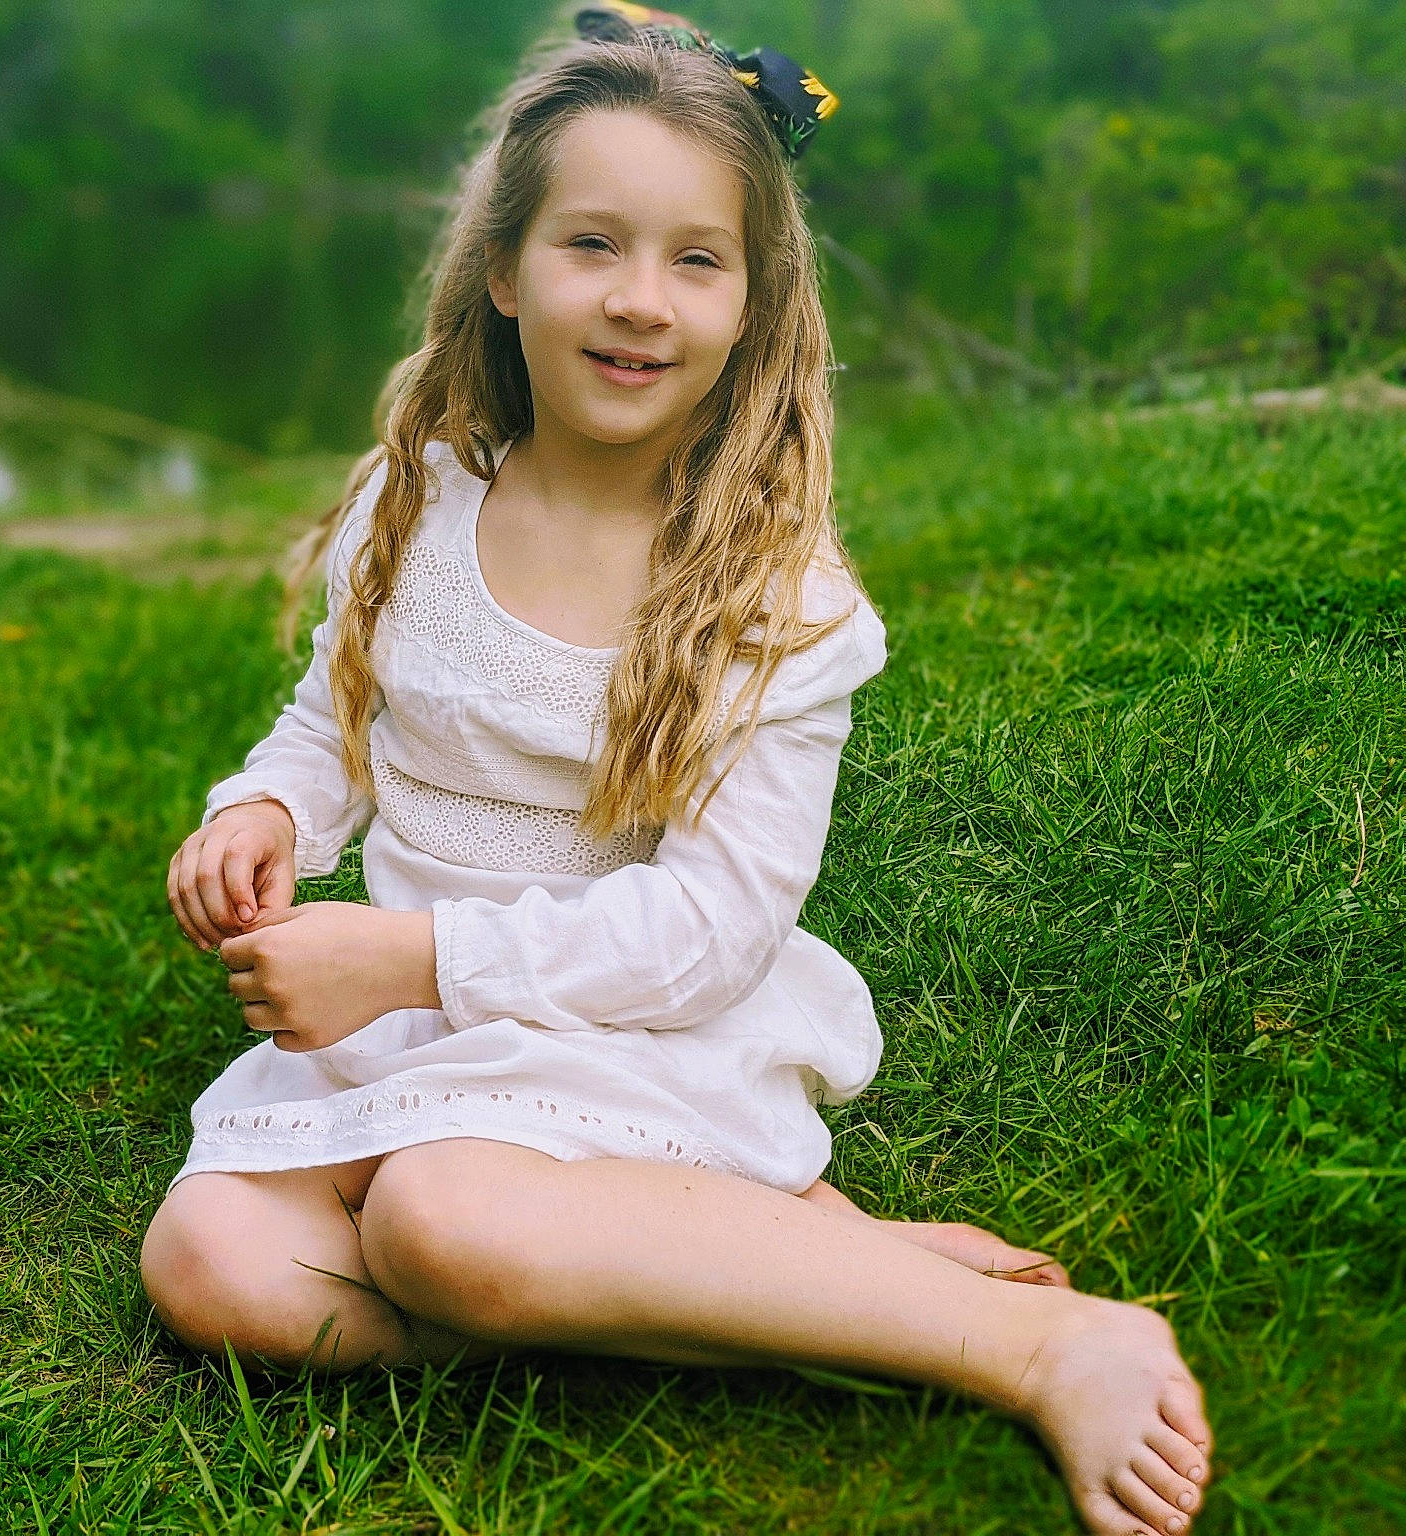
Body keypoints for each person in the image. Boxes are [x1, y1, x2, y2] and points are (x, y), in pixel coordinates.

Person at [142, 10, 1213, 1534]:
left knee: (446, 1222)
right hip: (411, 1031)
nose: (640, 302)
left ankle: (1028, 1345)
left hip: (639, 1023)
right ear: (505, 273)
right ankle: (794, 1276)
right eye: (593, 244)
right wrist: (262, 809)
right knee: (214, 1268)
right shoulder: (418, 496)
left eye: (696, 260)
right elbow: (334, 721)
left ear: (755, 305)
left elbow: (711, 934)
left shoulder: (777, 601)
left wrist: (411, 957)